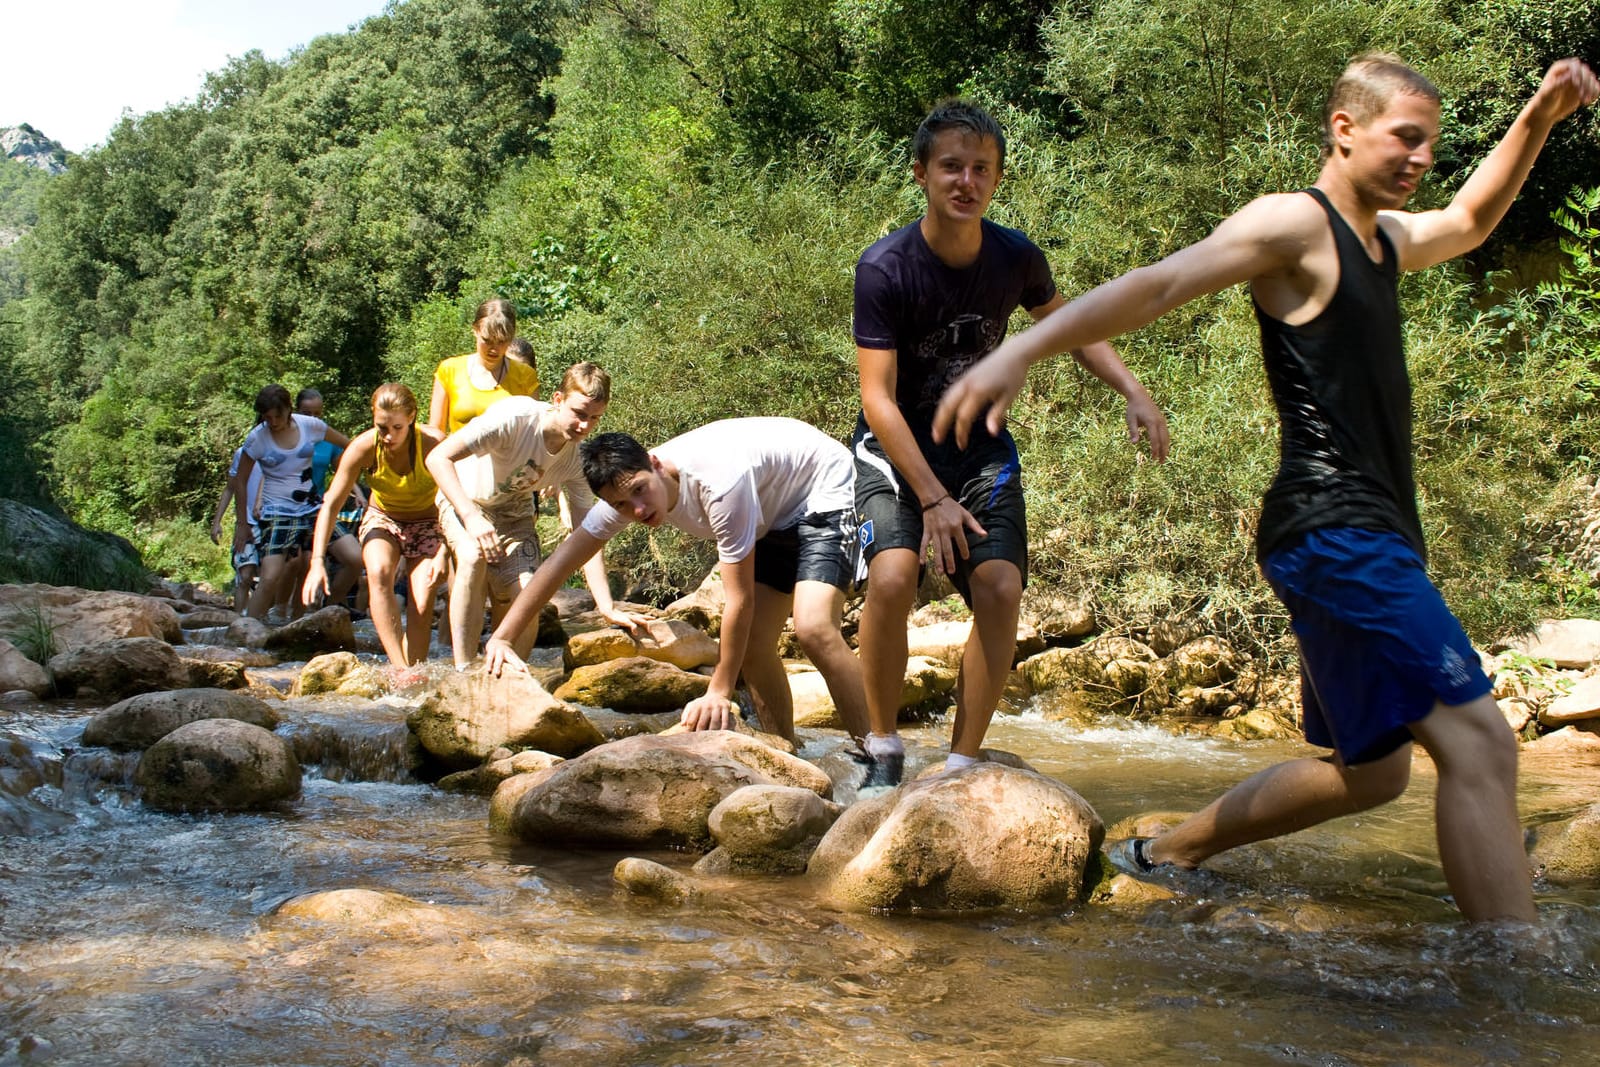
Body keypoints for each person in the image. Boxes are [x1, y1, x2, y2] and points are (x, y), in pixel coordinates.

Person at [934, 56, 1599, 924]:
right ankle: (1510, 986)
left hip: (1367, 532)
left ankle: (1164, 850)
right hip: (1336, 528)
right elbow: (1164, 282)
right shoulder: (1296, 223)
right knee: (1479, 741)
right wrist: (1020, 349)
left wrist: (1540, 116)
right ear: (1345, 129)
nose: (1420, 157)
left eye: (1429, 143)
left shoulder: (1383, 240)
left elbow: (1471, 219)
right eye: (1406, 136)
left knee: (1372, 771)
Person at [852, 100, 1169, 790]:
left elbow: (1070, 326)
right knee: (893, 577)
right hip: (895, 444)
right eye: (950, 167)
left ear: (995, 179)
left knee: (999, 587)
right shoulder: (885, 268)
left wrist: (1132, 389)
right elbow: (877, 398)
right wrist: (931, 498)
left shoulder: (1015, 256)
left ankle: (962, 760)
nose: (965, 180)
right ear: (921, 174)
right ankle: (882, 744)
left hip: (977, 445)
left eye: (980, 169)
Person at [482, 418, 871, 747]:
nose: (637, 509)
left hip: (822, 488)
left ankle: (878, 754)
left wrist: (718, 690)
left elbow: (740, 601)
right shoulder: (624, 496)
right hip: (771, 511)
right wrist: (502, 636)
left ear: (654, 463)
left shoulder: (719, 483)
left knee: (814, 628)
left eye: (639, 490)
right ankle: (788, 751)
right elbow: (559, 564)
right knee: (753, 649)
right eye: (621, 505)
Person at [425, 362, 638, 667]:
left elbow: (588, 534)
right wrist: (471, 516)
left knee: (530, 594)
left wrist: (606, 605)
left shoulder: (578, 459)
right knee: (472, 557)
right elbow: (438, 458)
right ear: (557, 399)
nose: (584, 427)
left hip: (515, 513)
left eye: (595, 419)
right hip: (464, 498)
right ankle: (463, 670)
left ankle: (506, 677)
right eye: (579, 413)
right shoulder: (514, 418)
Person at [303, 384, 448, 674]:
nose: (389, 436)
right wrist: (317, 562)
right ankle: (399, 670)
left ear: (412, 418)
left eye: (397, 427)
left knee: (421, 599)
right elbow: (331, 504)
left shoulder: (435, 443)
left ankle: (415, 672)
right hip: (383, 518)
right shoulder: (364, 447)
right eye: (382, 427)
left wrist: (446, 551)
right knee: (379, 572)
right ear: (373, 418)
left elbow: (462, 499)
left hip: (429, 524)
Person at [231, 384, 361, 622]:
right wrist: (242, 522)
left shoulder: (310, 426)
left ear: (289, 410)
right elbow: (239, 481)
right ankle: (247, 631)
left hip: (313, 507)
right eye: (266, 417)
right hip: (277, 511)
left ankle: (326, 612)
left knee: (355, 558)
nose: (272, 422)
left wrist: (363, 471)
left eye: (277, 415)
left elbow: (352, 446)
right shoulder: (257, 438)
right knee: (270, 576)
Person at [429, 299, 540, 434]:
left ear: (511, 337)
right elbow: (435, 432)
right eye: (487, 340)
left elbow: (531, 434)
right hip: (458, 454)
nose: (494, 349)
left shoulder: (525, 375)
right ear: (475, 330)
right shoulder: (449, 370)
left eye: (501, 341)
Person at [211, 443, 264, 612]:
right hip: (245, 523)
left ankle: (263, 622)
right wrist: (217, 521)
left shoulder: (281, 453)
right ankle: (238, 624)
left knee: (269, 578)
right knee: (244, 576)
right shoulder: (242, 454)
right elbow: (229, 488)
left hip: (271, 523)